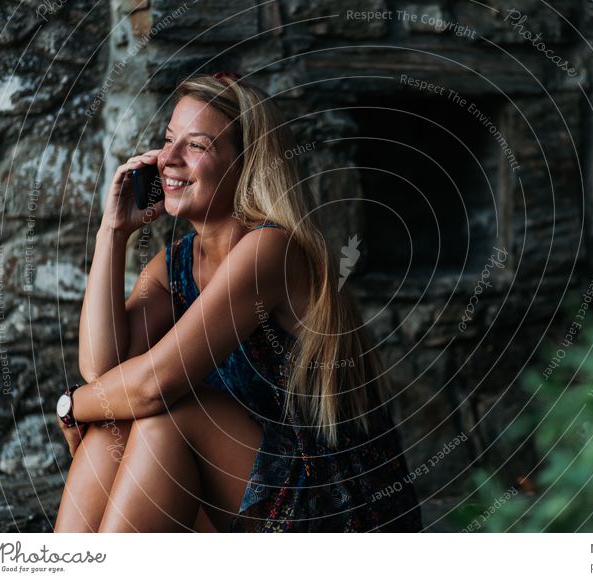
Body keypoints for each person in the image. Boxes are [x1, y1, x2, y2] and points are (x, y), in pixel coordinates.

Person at [53, 72, 422, 532]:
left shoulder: (270, 250)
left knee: (171, 412)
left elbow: (152, 387)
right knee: (117, 422)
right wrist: (114, 231)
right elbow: (101, 371)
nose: (167, 159)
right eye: (169, 141)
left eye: (196, 146)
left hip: (337, 506)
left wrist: (72, 406)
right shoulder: (176, 266)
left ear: (246, 164)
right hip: (250, 491)